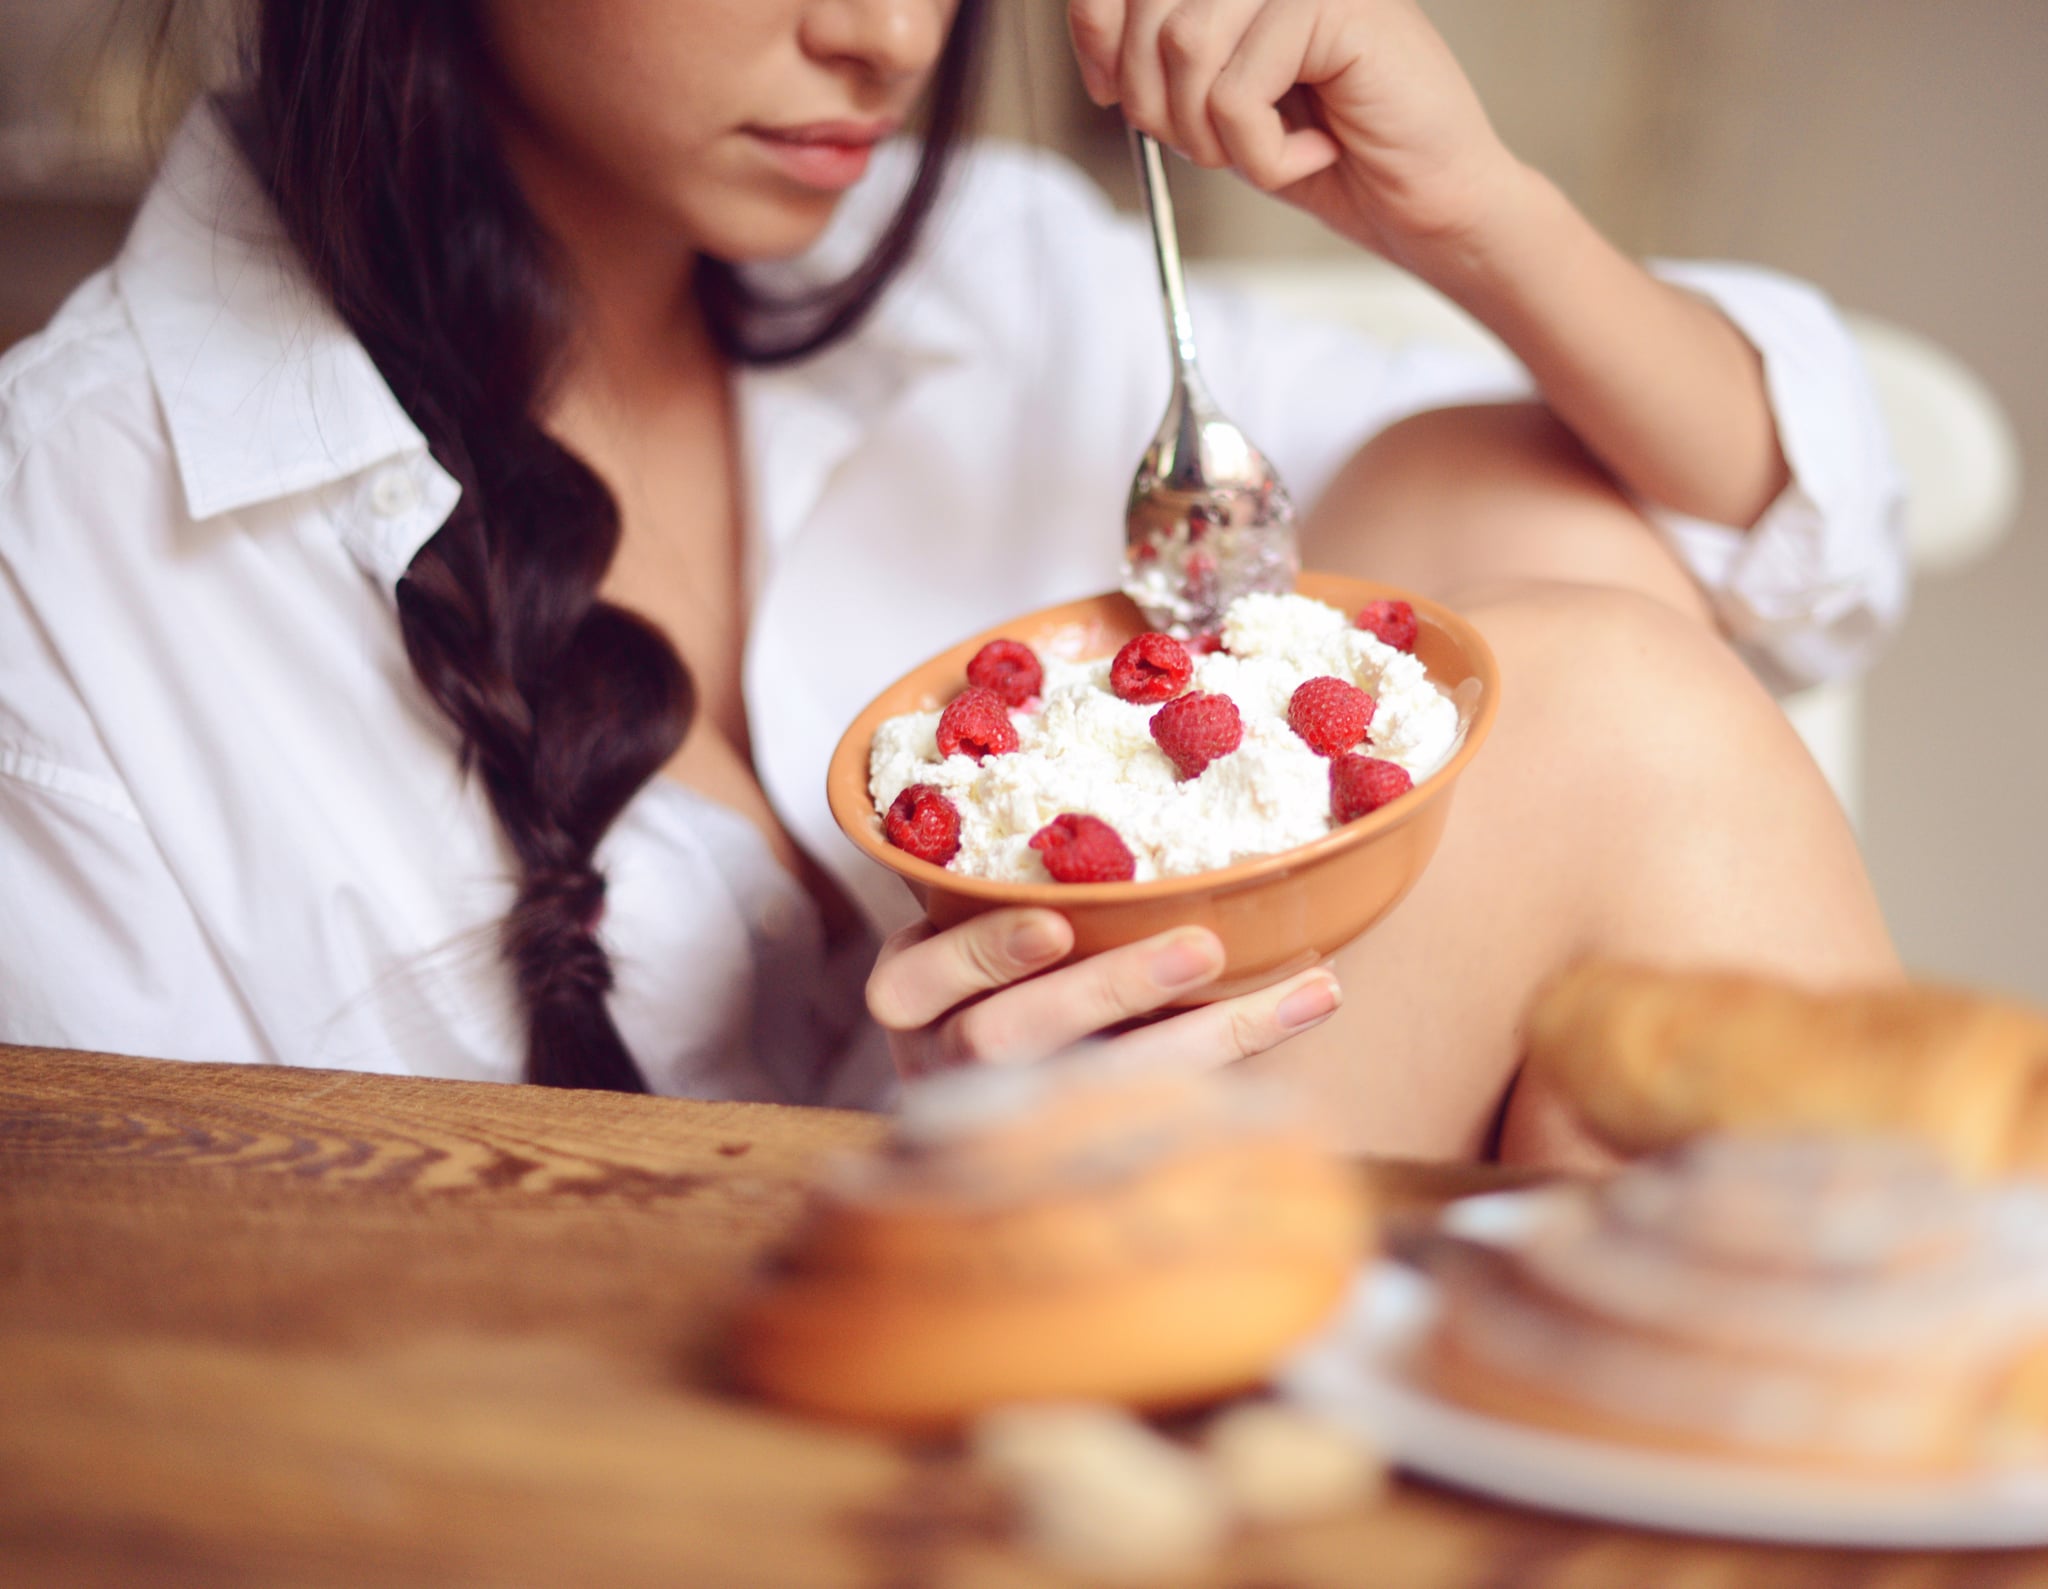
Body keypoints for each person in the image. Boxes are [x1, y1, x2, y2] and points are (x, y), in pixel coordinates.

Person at [0, 0, 1900, 1161]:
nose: (893, 36)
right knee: (1621, 715)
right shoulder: (75, 542)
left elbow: (1781, 537)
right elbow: (172, 1363)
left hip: (1164, 1339)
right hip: (656, 1470)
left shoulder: (995, 282)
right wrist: (902, 1177)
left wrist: (1476, 214)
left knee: (1548, 552)